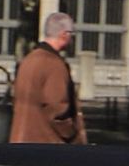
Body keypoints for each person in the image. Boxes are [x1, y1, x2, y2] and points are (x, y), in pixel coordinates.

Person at [10, 11, 87, 144]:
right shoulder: (54, 64)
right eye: (72, 34)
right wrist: (72, 133)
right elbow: (57, 108)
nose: (72, 39)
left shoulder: (29, 59)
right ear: (64, 34)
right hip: (46, 143)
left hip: (21, 140)